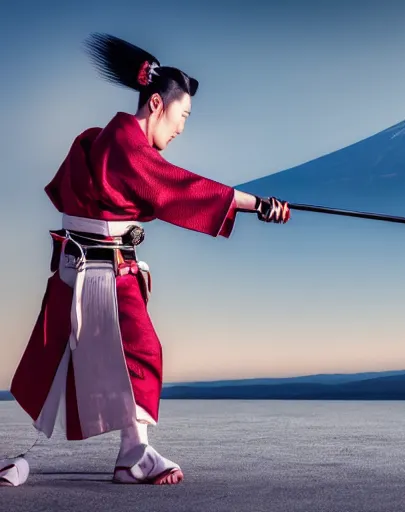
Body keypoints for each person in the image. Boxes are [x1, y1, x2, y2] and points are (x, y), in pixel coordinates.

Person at [1, 33, 290, 486]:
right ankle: (130, 455)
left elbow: (157, 189)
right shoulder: (123, 146)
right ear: (157, 103)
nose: (181, 128)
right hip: (100, 273)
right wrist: (255, 204)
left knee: (91, 358)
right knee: (130, 352)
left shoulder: (110, 143)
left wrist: (253, 206)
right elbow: (175, 188)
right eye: (182, 115)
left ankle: (127, 453)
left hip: (93, 268)